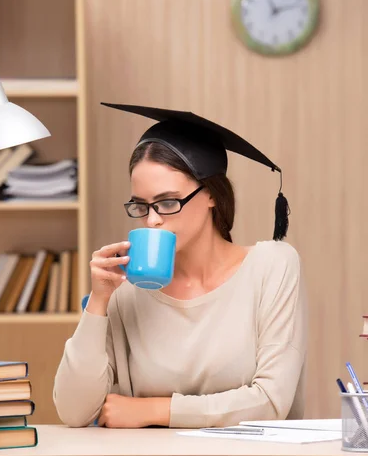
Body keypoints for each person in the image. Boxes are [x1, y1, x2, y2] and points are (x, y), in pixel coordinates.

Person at [53, 103, 307, 429]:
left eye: (168, 202)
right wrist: (99, 301)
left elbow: (272, 402)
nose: (153, 219)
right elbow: (74, 413)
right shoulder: (126, 289)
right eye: (141, 206)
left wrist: (153, 411)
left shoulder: (272, 266)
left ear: (212, 195)